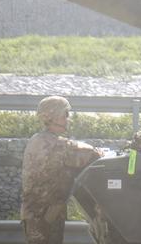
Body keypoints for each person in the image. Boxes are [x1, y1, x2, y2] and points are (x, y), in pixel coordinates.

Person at [21, 96, 102, 244]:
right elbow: (92, 155)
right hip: (45, 217)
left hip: (37, 215)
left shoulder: (37, 139)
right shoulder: (58, 146)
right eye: (65, 114)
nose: (68, 118)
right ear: (55, 116)